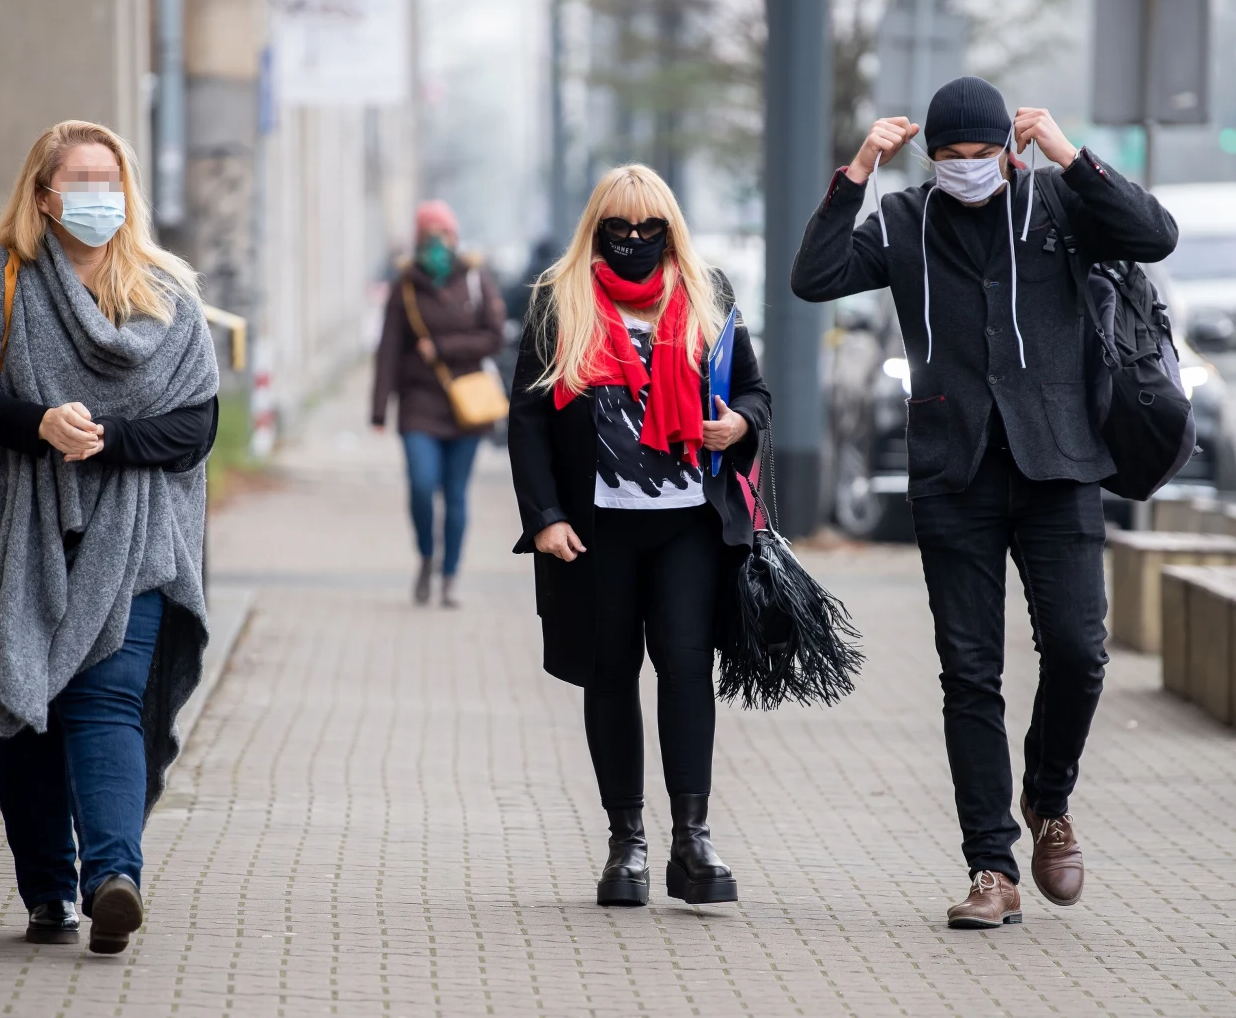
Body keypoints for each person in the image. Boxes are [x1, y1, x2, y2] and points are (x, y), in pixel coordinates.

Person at [791, 76, 1178, 928]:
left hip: (1059, 463)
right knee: (970, 674)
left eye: (980, 154)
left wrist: (1073, 157)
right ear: (930, 158)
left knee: (1079, 650)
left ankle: (1049, 796)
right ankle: (990, 868)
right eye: (949, 157)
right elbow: (812, 276)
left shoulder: (1054, 204)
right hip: (953, 473)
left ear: (1009, 147)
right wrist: (858, 169)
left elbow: (1155, 235)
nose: (966, 169)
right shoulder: (903, 222)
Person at [0, 120, 219, 953]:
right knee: (25, 706)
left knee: (105, 698)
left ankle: (111, 878)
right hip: (9, 530)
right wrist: (39, 427)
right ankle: (49, 895)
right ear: (43, 195)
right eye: (80, 180)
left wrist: (104, 437)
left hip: (135, 534)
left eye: (112, 180)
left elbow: (197, 425)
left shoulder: (167, 291)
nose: (99, 196)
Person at [508, 164, 771, 907]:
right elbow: (526, 421)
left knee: (686, 667)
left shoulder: (707, 293)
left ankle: (693, 839)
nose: (632, 240)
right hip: (596, 530)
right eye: (617, 229)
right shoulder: (559, 302)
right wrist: (545, 517)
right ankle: (627, 844)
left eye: (648, 229)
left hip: (689, 521)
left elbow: (754, 389)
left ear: (669, 230)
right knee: (610, 673)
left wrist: (741, 421)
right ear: (596, 228)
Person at [371, 200, 506, 607]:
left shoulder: (476, 278)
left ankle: (449, 577)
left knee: (457, 494)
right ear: (417, 238)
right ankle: (427, 557)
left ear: (454, 235)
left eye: (442, 231)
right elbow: (389, 349)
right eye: (427, 232)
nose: (435, 240)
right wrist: (379, 409)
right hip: (419, 405)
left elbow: (494, 337)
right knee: (421, 485)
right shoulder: (406, 285)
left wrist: (443, 347)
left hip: (469, 404)